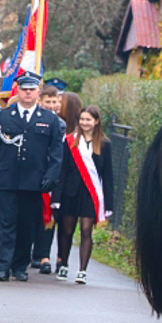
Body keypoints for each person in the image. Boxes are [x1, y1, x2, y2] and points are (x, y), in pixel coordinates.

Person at [0, 70, 64, 282]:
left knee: (26, 226)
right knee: (5, 224)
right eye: (24, 90)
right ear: (18, 91)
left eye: (32, 90)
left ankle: (20, 266)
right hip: (7, 179)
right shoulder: (3, 116)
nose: (28, 94)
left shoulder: (49, 120)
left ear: (38, 93)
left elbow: (56, 153)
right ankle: (3, 267)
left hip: (34, 181)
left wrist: (51, 176)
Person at [53, 105, 114, 284]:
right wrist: (56, 197)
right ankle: (63, 264)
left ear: (96, 122)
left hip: (90, 194)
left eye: (88, 119)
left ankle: (82, 270)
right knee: (67, 230)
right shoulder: (70, 141)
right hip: (70, 193)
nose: (84, 123)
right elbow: (62, 170)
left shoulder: (105, 144)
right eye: (82, 119)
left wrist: (108, 204)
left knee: (87, 230)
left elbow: (108, 176)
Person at [30, 85, 65, 273]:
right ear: (40, 102)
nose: (51, 105)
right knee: (31, 216)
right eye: (48, 102)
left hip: (50, 175)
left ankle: (41, 254)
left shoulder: (61, 125)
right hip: (34, 173)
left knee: (47, 218)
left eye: (55, 102)